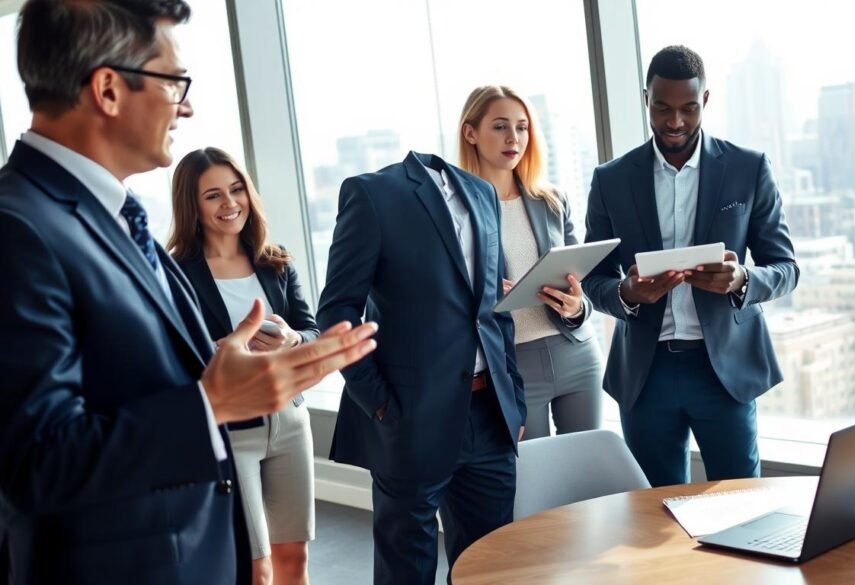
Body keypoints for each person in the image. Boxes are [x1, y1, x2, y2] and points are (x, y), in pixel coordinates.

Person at [0, 2, 376, 584]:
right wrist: (213, 404)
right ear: (107, 89)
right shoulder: (17, 228)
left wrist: (233, 375)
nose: (189, 105)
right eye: (175, 82)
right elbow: (33, 462)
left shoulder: (116, 215)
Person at [582, 45, 798, 487]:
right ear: (646, 99)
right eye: (662, 107)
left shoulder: (748, 168)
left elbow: (785, 267)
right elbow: (592, 277)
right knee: (653, 515)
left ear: (706, 101)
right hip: (646, 374)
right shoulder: (612, 179)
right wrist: (627, 292)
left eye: (688, 108)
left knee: (741, 505)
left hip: (724, 373)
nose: (675, 122)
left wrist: (742, 280)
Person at [317, 149, 526, 585]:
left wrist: (514, 395)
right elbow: (337, 314)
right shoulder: (372, 195)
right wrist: (380, 405)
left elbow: (496, 307)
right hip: (409, 417)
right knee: (406, 568)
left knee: (490, 565)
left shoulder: (482, 192)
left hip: (489, 413)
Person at [169, 147, 317, 585]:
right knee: (256, 566)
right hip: (232, 430)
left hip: (290, 419)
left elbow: (311, 330)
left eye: (236, 190)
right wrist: (220, 349)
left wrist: (291, 338)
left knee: (294, 557)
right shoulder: (177, 272)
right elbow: (174, 356)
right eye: (213, 195)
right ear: (191, 206)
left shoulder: (275, 260)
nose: (230, 203)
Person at [457, 85, 603, 440]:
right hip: (512, 364)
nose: (514, 138)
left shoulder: (551, 200)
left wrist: (577, 306)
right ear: (471, 132)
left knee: (587, 473)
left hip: (576, 352)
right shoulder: (457, 210)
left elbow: (582, 285)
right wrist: (485, 295)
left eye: (522, 127)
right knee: (537, 481)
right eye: (500, 126)